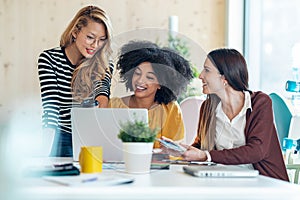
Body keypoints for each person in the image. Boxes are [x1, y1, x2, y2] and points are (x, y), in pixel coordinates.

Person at [163, 48, 289, 181]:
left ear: (224, 78)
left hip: (264, 183)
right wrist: (183, 151)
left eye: (207, 70)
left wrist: (207, 155)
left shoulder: (260, 103)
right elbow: (202, 147)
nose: (200, 76)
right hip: (226, 180)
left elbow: (257, 151)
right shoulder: (208, 108)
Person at [37, 5, 114, 157]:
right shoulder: (49, 59)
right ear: (75, 32)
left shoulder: (104, 63)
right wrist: (42, 155)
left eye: (102, 40)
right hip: (60, 137)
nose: (95, 45)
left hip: (90, 138)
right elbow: (51, 110)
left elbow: (102, 93)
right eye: (90, 37)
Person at [109, 40, 193, 148]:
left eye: (149, 77)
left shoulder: (170, 109)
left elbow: (176, 151)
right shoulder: (113, 105)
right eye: (137, 73)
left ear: (161, 84)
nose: (140, 81)